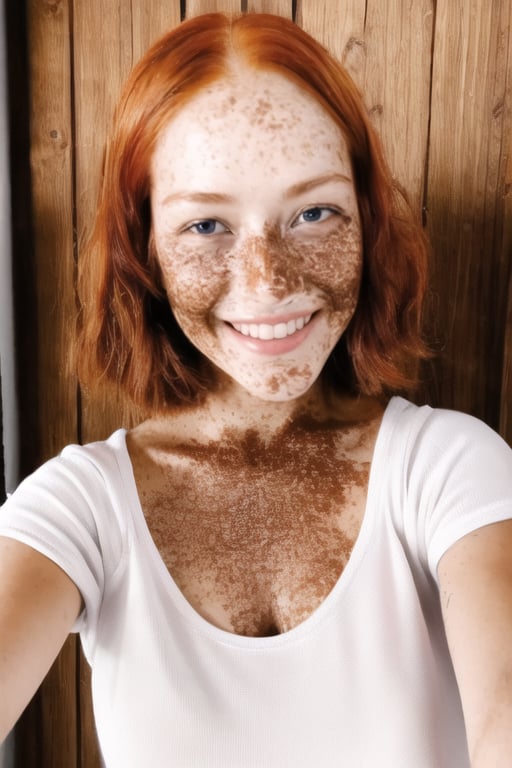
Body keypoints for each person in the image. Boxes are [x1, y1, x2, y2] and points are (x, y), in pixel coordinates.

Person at [1, 11, 511, 767]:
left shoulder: (449, 469)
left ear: (367, 223)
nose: (268, 283)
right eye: (206, 226)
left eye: (313, 213)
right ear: (146, 249)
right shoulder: (81, 507)